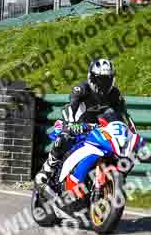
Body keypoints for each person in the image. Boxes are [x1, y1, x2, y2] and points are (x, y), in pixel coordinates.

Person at [35, 58, 134, 186]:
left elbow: (123, 114)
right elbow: (70, 108)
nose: (103, 83)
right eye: (100, 79)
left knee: (123, 151)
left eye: (107, 79)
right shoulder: (81, 89)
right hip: (79, 125)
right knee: (64, 137)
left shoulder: (115, 93)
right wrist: (72, 124)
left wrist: (131, 131)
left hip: (101, 130)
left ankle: (113, 181)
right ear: (91, 77)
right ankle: (48, 169)